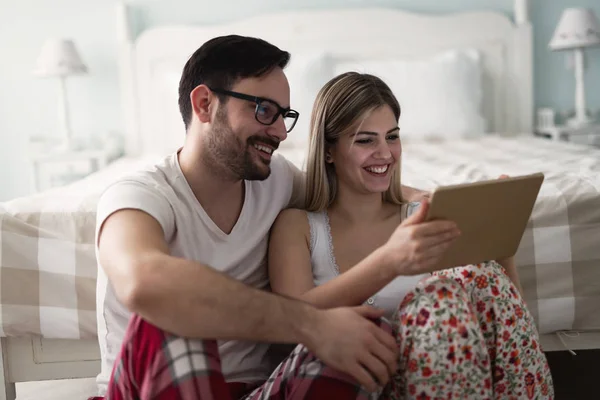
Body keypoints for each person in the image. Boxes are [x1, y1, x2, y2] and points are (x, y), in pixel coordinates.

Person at [92, 35, 432, 400]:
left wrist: (424, 198)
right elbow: (144, 283)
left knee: (356, 337)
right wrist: (313, 324)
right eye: (264, 111)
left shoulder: (275, 181)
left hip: (259, 391)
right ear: (205, 104)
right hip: (155, 386)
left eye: (285, 116)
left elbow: (345, 184)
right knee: (172, 311)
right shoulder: (138, 197)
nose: (281, 132)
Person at [267, 71, 554, 399]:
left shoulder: (423, 215)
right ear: (328, 151)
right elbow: (286, 323)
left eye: (392, 136)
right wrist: (388, 262)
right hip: (349, 381)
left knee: (482, 275)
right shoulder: (298, 226)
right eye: (365, 140)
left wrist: (502, 242)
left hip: (444, 378)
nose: (385, 153)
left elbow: (506, 324)